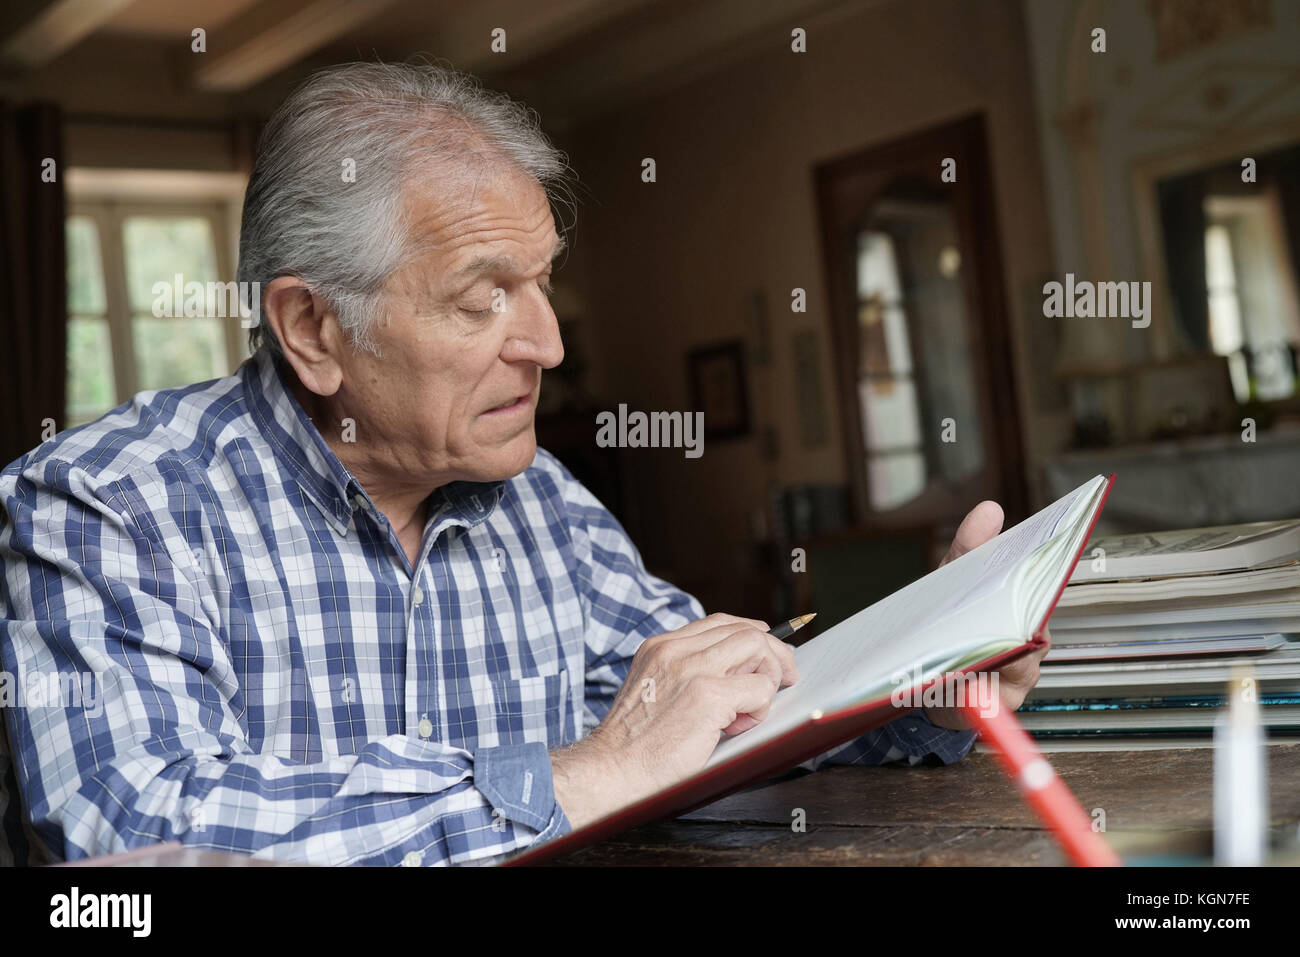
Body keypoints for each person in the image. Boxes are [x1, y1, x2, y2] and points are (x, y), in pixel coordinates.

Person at [0, 62, 1046, 866]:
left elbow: (710, 720)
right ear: (312, 326)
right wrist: (584, 775)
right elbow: (130, 841)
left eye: (542, 283)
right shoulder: (107, 503)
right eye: (481, 298)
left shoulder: (537, 496)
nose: (545, 344)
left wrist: (922, 681)